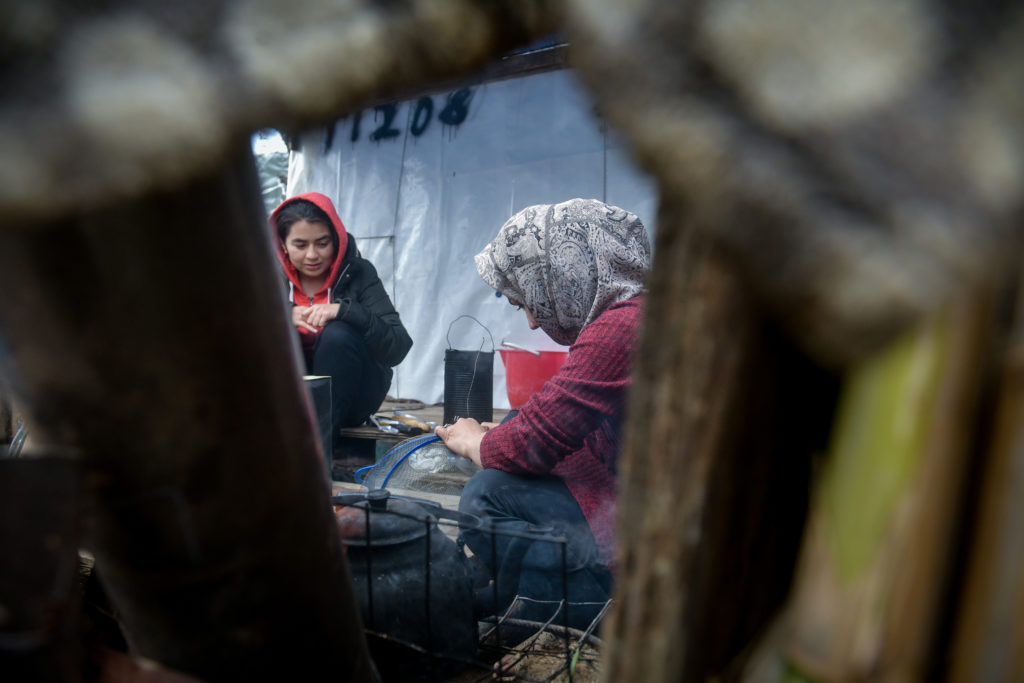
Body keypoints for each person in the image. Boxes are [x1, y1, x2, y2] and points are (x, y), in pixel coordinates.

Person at [435, 198, 650, 629]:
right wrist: (511, 431)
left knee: (484, 497)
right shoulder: (636, 312)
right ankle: (523, 587)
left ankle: (571, 607)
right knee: (513, 432)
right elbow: (563, 419)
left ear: (564, 272)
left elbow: (533, 445)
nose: (531, 322)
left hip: (647, 534)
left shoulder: (620, 329)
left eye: (527, 302)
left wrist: (476, 441)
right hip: (642, 496)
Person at [270, 192, 412, 432]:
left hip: (352, 398)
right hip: (288, 400)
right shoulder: (267, 277)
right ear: (283, 244)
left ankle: (319, 448)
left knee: (338, 335)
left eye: (322, 243)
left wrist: (344, 311)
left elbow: (398, 346)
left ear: (336, 240)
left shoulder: (358, 273)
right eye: (300, 245)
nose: (312, 255)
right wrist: (283, 316)